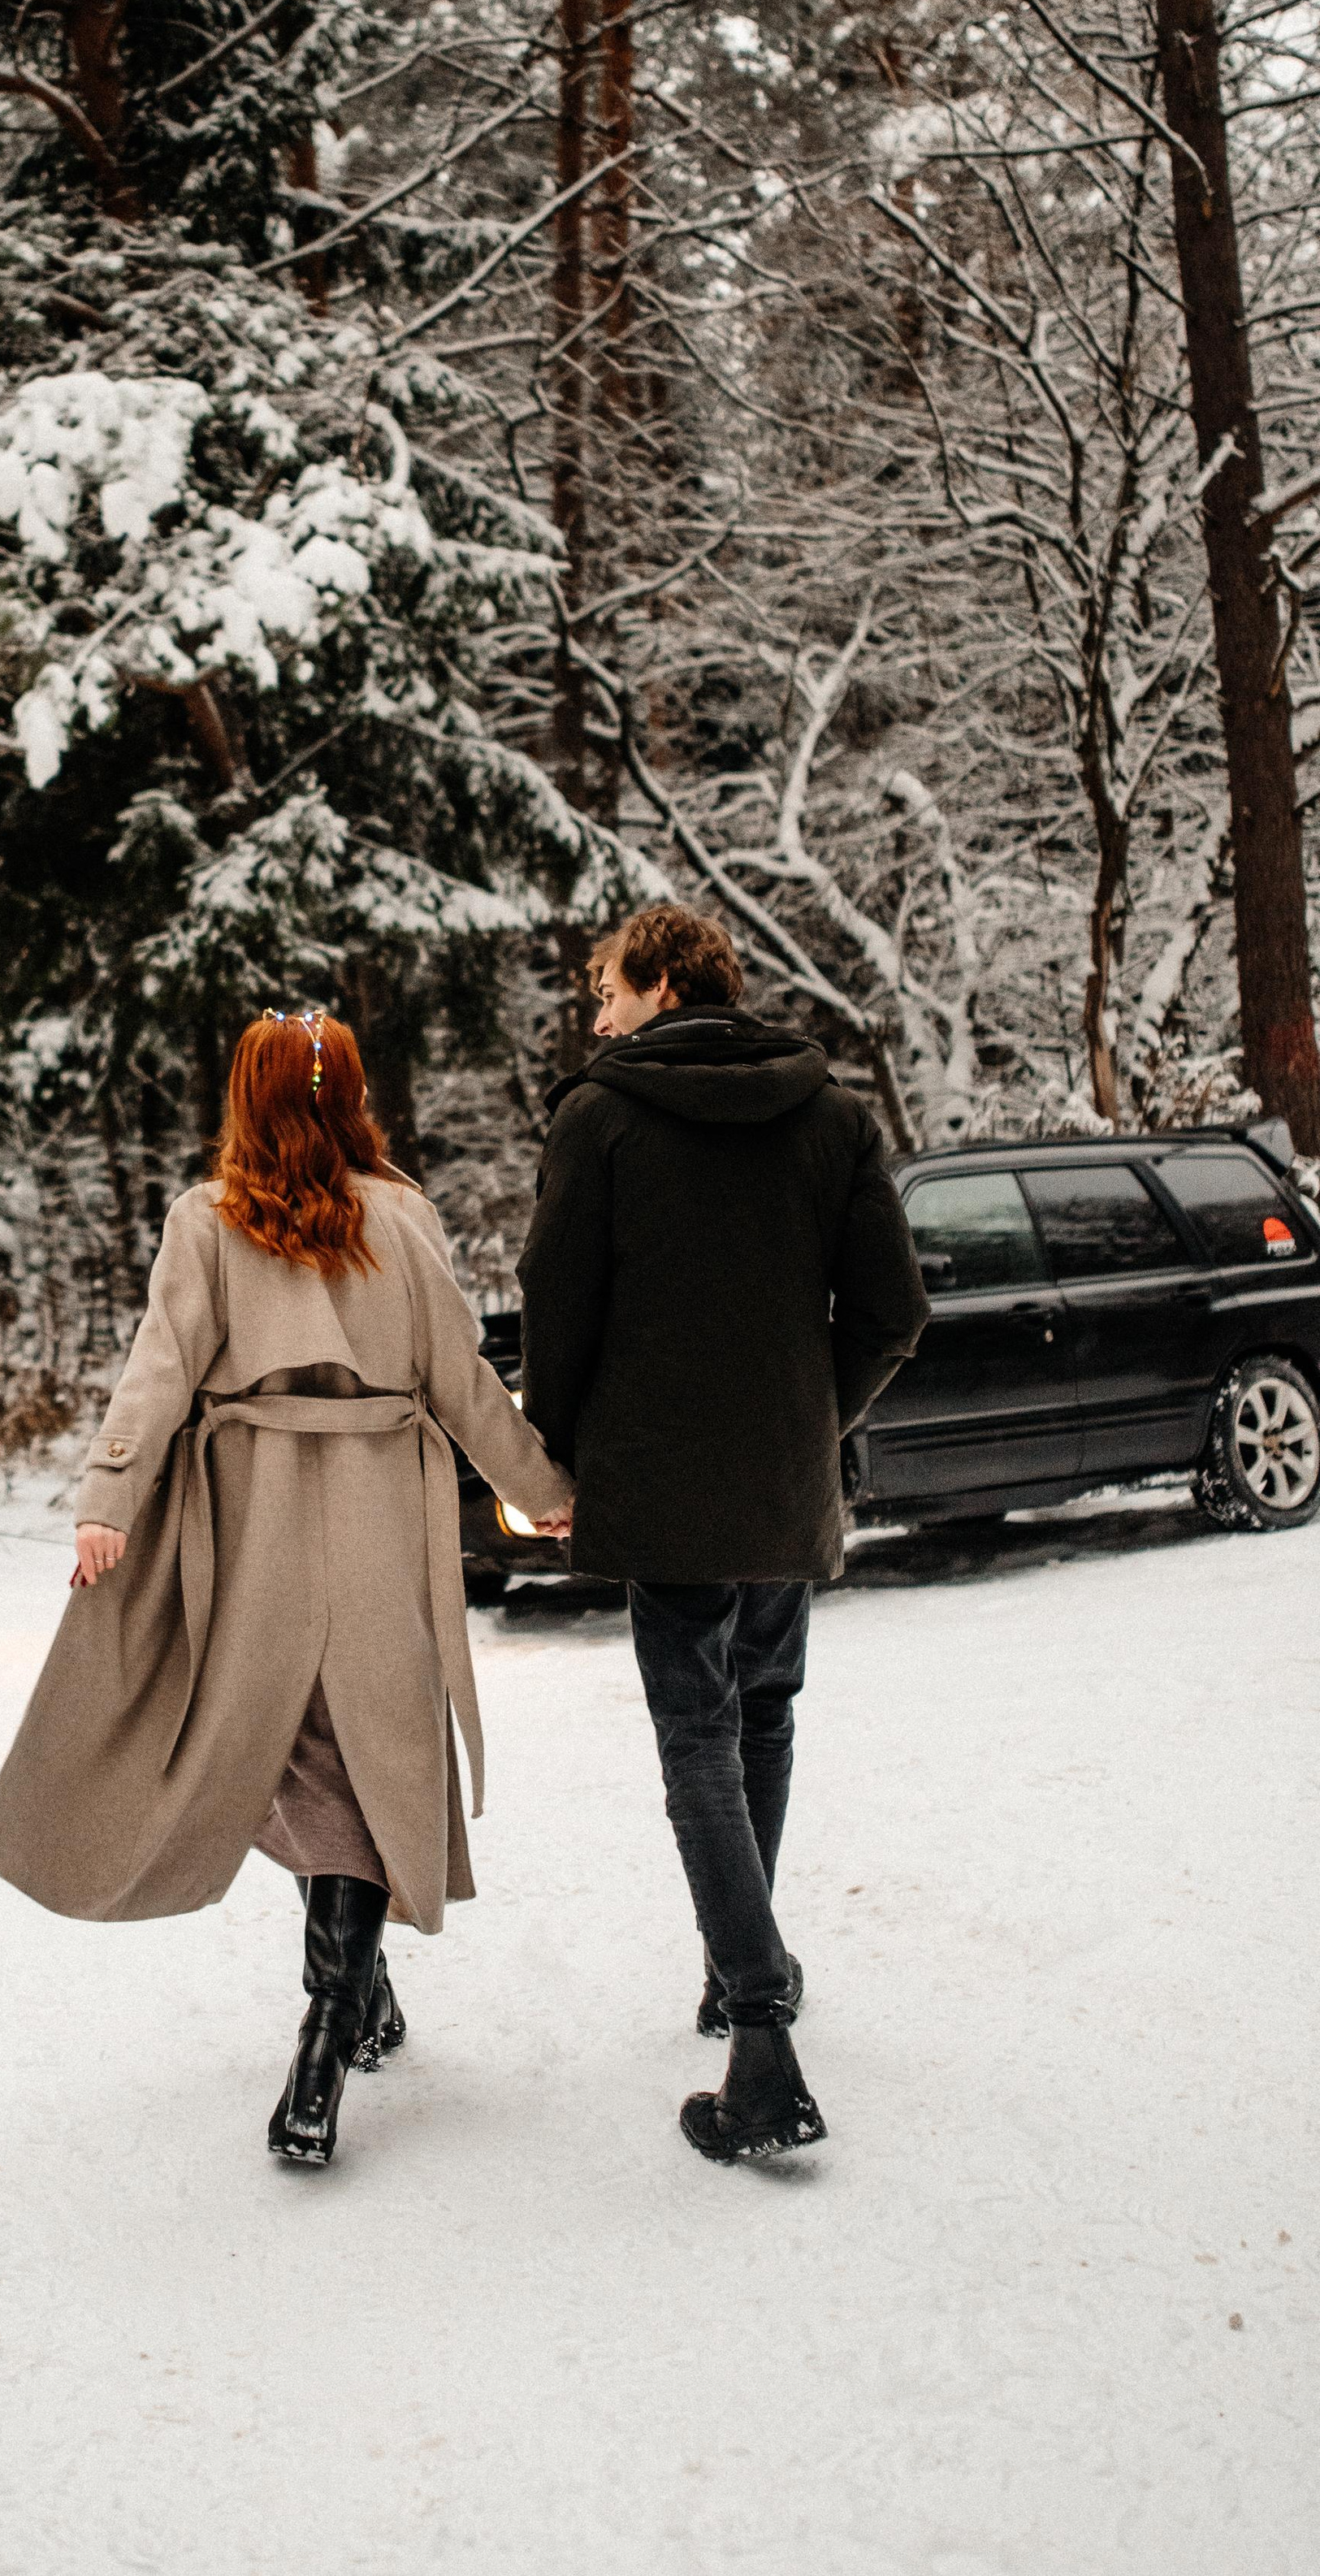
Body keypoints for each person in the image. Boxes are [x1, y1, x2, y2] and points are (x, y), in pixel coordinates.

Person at [0, 1009, 573, 2168]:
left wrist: (110, 1499)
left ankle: (329, 2026)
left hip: (252, 1532)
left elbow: (160, 1370)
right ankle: (344, 2014)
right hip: (377, 1530)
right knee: (361, 1758)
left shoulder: (205, 1222)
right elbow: (463, 1378)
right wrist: (538, 1483)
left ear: (244, 1099)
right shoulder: (402, 1218)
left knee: (290, 1754)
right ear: (351, 1096)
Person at [517, 904, 927, 2163]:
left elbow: (556, 1299)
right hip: (778, 1488)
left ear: (665, 983)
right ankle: (737, 1965)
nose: (596, 1014)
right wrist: (817, 1415)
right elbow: (894, 1308)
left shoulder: (601, 1118)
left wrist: (557, 1446)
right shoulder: (835, 1112)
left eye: (610, 988)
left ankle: (759, 2030)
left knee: (698, 1732)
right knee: (764, 1712)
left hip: (662, 1483)